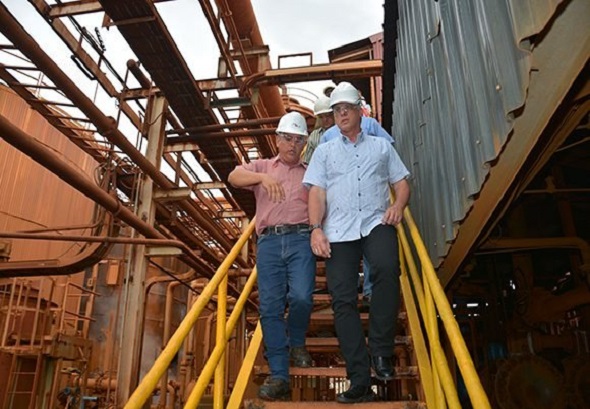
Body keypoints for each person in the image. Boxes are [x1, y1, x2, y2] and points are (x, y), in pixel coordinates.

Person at [303, 82, 410, 404]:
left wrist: (398, 206)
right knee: (343, 300)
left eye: (347, 108)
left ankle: (381, 353)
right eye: (337, 110)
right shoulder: (323, 151)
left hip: (377, 221)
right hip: (338, 230)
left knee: (388, 270)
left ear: (359, 111)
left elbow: (401, 182)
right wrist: (315, 229)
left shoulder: (380, 147)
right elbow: (317, 192)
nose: (342, 113)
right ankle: (359, 377)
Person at [228, 112, 316, 401]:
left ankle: (298, 342)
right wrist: (261, 178)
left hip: (301, 239)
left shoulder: (311, 172)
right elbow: (233, 176)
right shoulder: (263, 166)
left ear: (305, 142)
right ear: (278, 140)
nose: (293, 144)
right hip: (268, 244)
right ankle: (279, 375)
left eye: (299, 139)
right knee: (270, 308)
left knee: (302, 297)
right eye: (288, 138)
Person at [302, 95, 334, 164]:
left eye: (328, 115)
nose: (325, 119)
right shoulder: (314, 136)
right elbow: (307, 163)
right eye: (321, 117)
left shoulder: (344, 133)